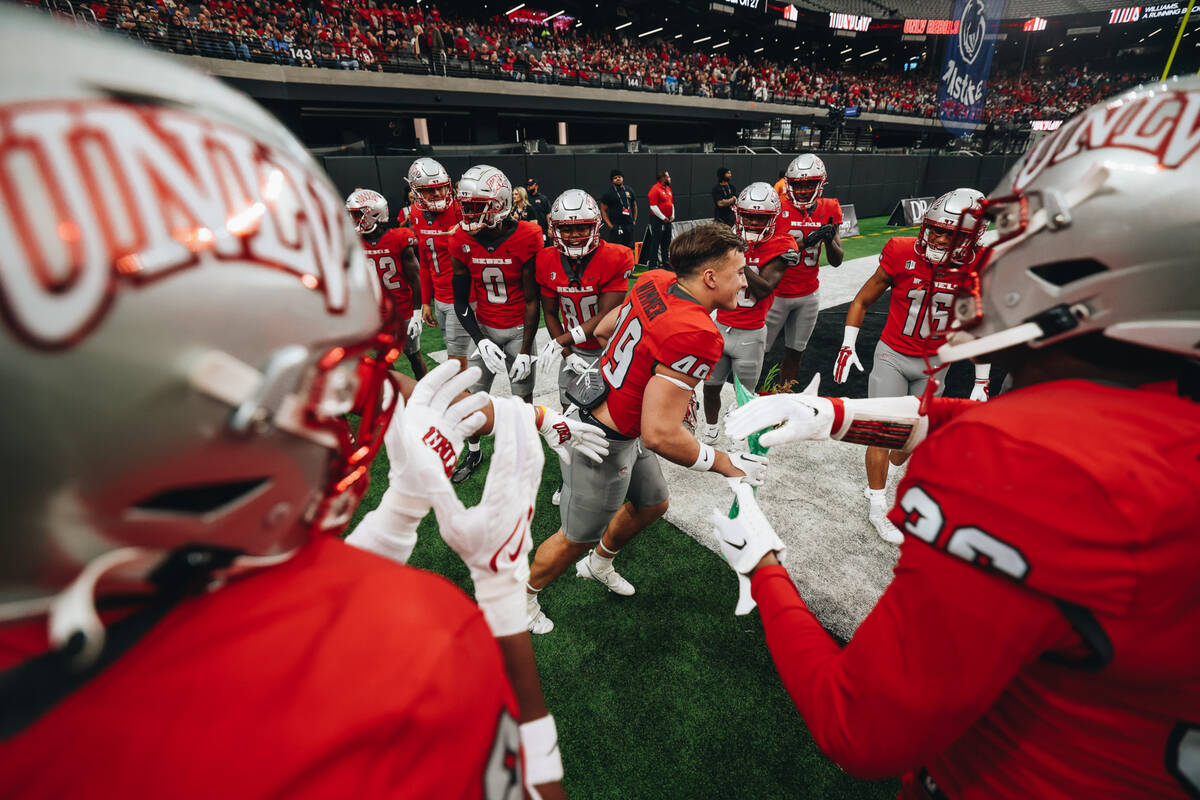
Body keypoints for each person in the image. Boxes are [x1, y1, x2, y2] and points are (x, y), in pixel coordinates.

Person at [0, 12, 566, 799]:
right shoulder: (413, 656)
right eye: (321, 381)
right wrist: (502, 602)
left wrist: (398, 514)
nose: (342, 408)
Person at [721, 76, 1200, 798]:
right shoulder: (1156, 417)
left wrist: (761, 562)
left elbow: (860, 729)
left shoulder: (1031, 464)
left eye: (1021, 228)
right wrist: (837, 417)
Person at [525, 224, 769, 634]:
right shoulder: (697, 332)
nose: (745, 280)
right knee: (575, 536)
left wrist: (631, 373)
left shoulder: (657, 279)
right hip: (602, 438)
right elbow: (660, 434)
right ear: (710, 278)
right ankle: (521, 598)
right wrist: (726, 463)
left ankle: (600, 563)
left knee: (653, 504)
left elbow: (606, 330)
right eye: (739, 271)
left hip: (609, 412)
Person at [832, 188, 990, 544]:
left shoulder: (979, 264)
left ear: (970, 237)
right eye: (933, 228)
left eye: (947, 233)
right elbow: (863, 297)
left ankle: (883, 477)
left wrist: (982, 381)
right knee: (880, 432)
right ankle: (876, 504)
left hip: (935, 365)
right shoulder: (902, 252)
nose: (934, 237)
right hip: (893, 355)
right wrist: (847, 343)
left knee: (909, 443)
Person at [536, 189, 634, 504]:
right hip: (574, 354)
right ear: (555, 229)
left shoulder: (616, 256)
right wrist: (567, 352)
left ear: (595, 226)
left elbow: (607, 315)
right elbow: (550, 312)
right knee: (568, 420)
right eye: (567, 228)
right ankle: (571, 480)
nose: (575, 234)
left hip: (609, 348)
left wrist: (565, 340)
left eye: (581, 227)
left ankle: (624, 470)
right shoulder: (546, 259)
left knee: (616, 418)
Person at [449, 164, 544, 482]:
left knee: (523, 401)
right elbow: (460, 303)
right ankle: (474, 452)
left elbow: (533, 299)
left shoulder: (529, 234)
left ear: (500, 203)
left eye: (476, 207)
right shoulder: (460, 238)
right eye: (465, 206)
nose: (468, 214)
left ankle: (526, 454)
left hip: (519, 330)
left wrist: (528, 350)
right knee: (472, 399)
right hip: (486, 328)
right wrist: (480, 339)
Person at [701, 182, 797, 443]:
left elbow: (765, 289)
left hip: (751, 333)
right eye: (749, 216)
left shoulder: (782, 243)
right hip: (720, 326)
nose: (754, 222)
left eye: (760, 217)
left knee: (746, 394)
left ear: (773, 218)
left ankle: (740, 433)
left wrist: (738, 258)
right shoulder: (727, 235)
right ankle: (710, 429)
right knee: (710, 386)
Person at [766, 153, 844, 392]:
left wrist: (829, 239)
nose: (803, 190)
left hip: (808, 294)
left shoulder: (830, 208)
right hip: (776, 294)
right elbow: (770, 254)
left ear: (820, 183)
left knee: (796, 352)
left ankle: (783, 396)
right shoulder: (777, 209)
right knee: (758, 349)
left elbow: (837, 260)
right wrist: (805, 242)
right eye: (798, 184)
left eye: (809, 183)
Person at [345, 188, 427, 379]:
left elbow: (415, 279)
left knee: (414, 356)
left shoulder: (399, 238)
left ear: (374, 214)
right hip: (374, 313)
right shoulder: (354, 242)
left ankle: (426, 394)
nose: (353, 220)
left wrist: (417, 314)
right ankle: (399, 394)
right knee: (382, 361)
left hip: (403, 311)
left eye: (357, 215)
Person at [407, 157, 469, 371]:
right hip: (440, 297)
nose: (438, 194)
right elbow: (424, 261)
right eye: (429, 190)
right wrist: (426, 302)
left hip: (463, 295)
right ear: (416, 191)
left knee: (457, 360)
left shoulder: (463, 209)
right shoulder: (416, 214)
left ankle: (466, 400)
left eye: (442, 188)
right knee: (456, 356)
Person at [599, 168, 637, 249]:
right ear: (612, 180)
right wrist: (610, 225)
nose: (618, 179)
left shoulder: (629, 190)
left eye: (619, 177)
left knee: (629, 248)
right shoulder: (609, 193)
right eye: (615, 178)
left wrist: (634, 220)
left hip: (629, 225)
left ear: (622, 178)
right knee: (616, 248)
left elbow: (634, 205)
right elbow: (603, 209)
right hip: (616, 226)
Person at [645, 170, 674, 269]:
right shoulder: (655, 189)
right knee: (656, 242)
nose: (670, 178)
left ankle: (666, 262)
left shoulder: (668, 189)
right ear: (663, 178)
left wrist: (672, 215)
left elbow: (671, 203)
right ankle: (653, 264)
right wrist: (663, 217)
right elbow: (653, 206)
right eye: (668, 177)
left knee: (666, 242)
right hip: (657, 220)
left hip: (668, 220)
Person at [526, 177, 551, 243]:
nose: (528, 187)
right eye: (527, 185)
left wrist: (550, 228)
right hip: (529, 230)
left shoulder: (543, 198)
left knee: (544, 247)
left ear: (536, 186)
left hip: (543, 229)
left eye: (531, 185)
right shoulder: (525, 199)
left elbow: (548, 214)